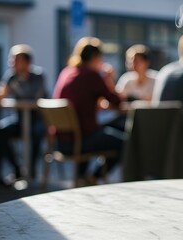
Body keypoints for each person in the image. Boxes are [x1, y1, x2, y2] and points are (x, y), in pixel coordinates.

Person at [53, 36, 125, 185]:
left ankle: (81, 177)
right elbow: (117, 101)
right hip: (79, 141)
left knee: (94, 130)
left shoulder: (66, 72)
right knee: (124, 142)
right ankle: (93, 178)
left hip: (60, 142)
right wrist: (109, 78)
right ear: (95, 57)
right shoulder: (92, 75)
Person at [0, 44, 47, 185]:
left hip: (37, 119)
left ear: (27, 62)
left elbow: (35, 98)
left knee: (36, 133)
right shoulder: (11, 76)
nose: (11, 63)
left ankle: (31, 171)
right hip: (20, 119)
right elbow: (0, 95)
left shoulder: (38, 76)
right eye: (11, 59)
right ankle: (15, 169)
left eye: (15, 60)